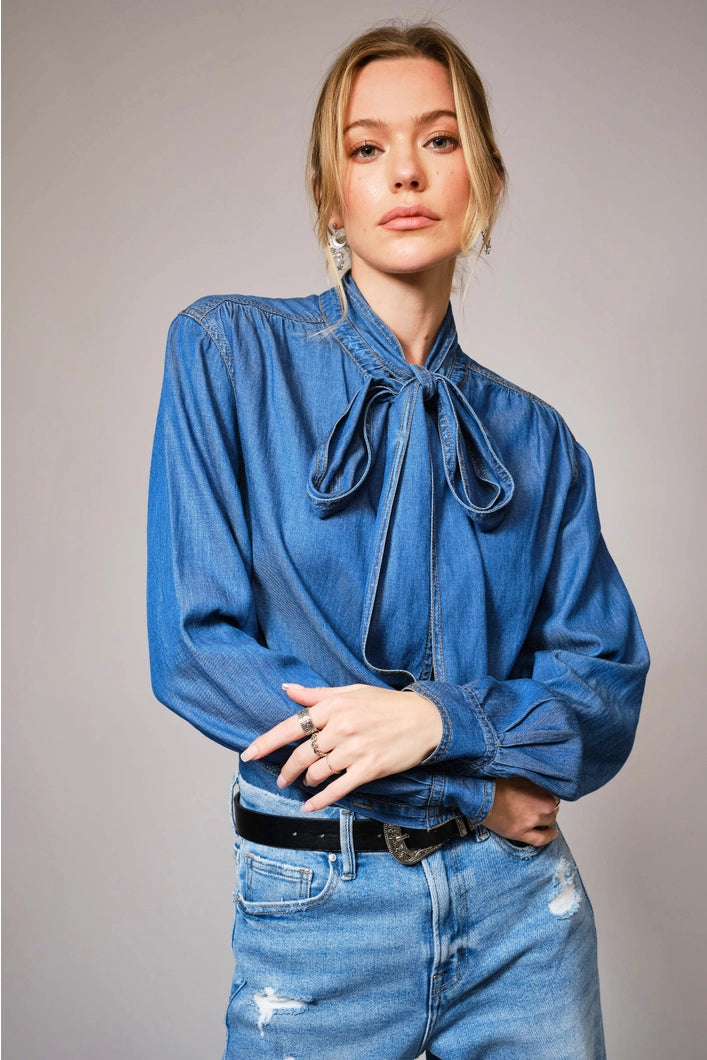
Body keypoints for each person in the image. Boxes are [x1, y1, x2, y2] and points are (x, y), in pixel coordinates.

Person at [147, 22, 649, 1060]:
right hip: (319, 911)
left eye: (439, 139)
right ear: (330, 194)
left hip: (521, 922)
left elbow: (604, 687)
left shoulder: (538, 441)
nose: (405, 173)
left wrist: (432, 720)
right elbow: (197, 646)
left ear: (483, 181)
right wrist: (473, 773)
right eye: (366, 148)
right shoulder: (225, 353)